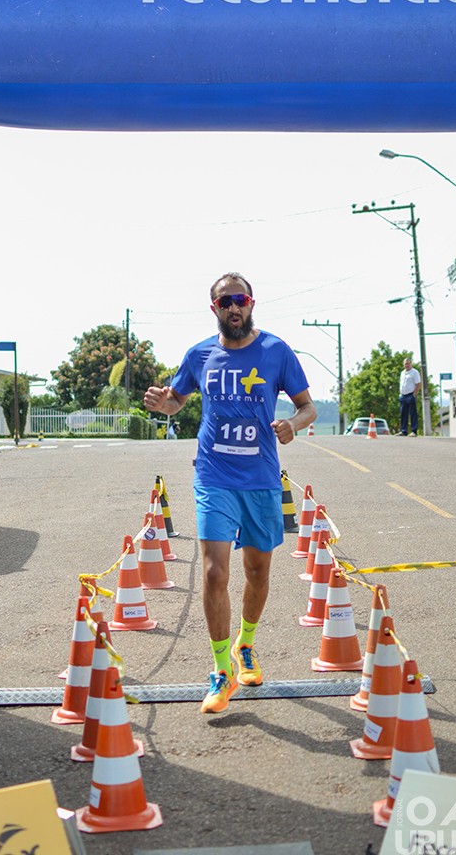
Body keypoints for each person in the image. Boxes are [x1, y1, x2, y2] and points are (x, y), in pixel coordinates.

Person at [144, 272, 316, 714]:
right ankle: (221, 671)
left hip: (259, 478)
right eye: (225, 302)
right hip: (214, 476)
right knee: (214, 573)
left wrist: (291, 426)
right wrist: (165, 403)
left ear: (252, 303)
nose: (234, 308)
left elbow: (307, 406)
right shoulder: (199, 354)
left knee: (257, 571)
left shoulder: (276, 351)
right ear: (214, 308)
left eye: (240, 300)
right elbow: (177, 399)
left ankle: (246, 644)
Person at [399, 357, 421, 436]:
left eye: (408, 364)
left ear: (411, 364)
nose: (407, 365)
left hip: (410, 395)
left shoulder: (414, 372)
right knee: (403, 413)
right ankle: (404, 430)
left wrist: (414, 394)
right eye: (405, 364)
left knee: (412, 413)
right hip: (403, 395)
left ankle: (414, 431)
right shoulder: (402, 373)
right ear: (403, 364)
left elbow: (418, 383)